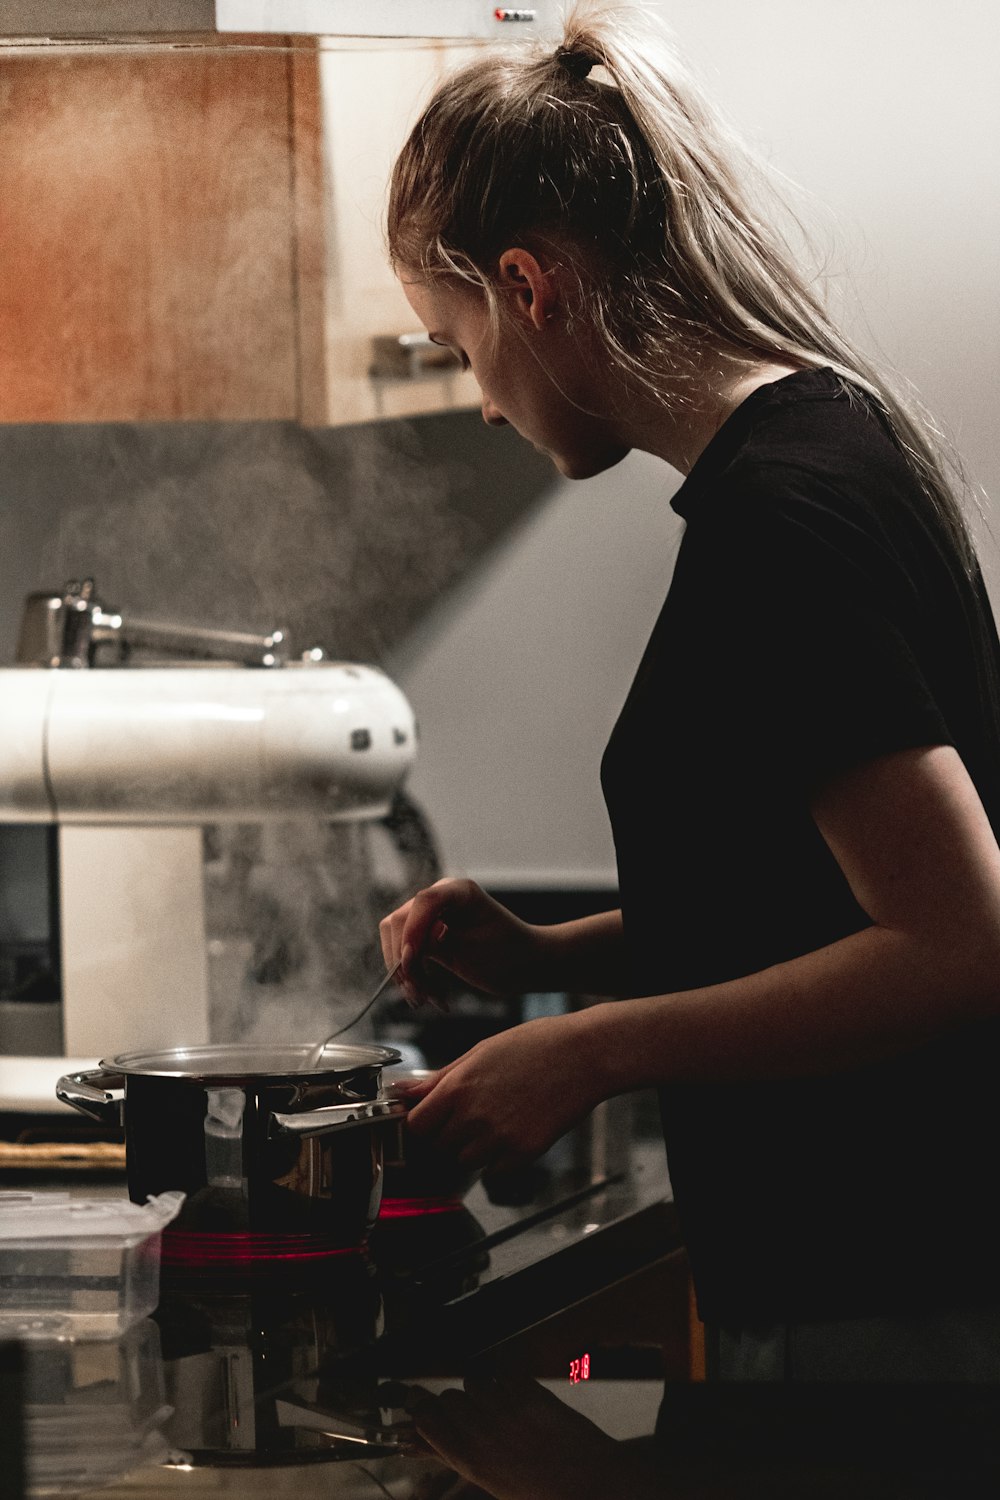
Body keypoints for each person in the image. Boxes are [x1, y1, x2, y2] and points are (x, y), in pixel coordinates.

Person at [378, 1, 1000, 1384]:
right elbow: (813, 890)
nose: (479, 398)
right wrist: (551, 957)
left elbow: (956, 939)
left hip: (894, 1300)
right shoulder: (826, 440)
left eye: (456, 342)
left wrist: (588, 1054)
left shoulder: (781, 519)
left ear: (532, 288)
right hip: (881, 1279)